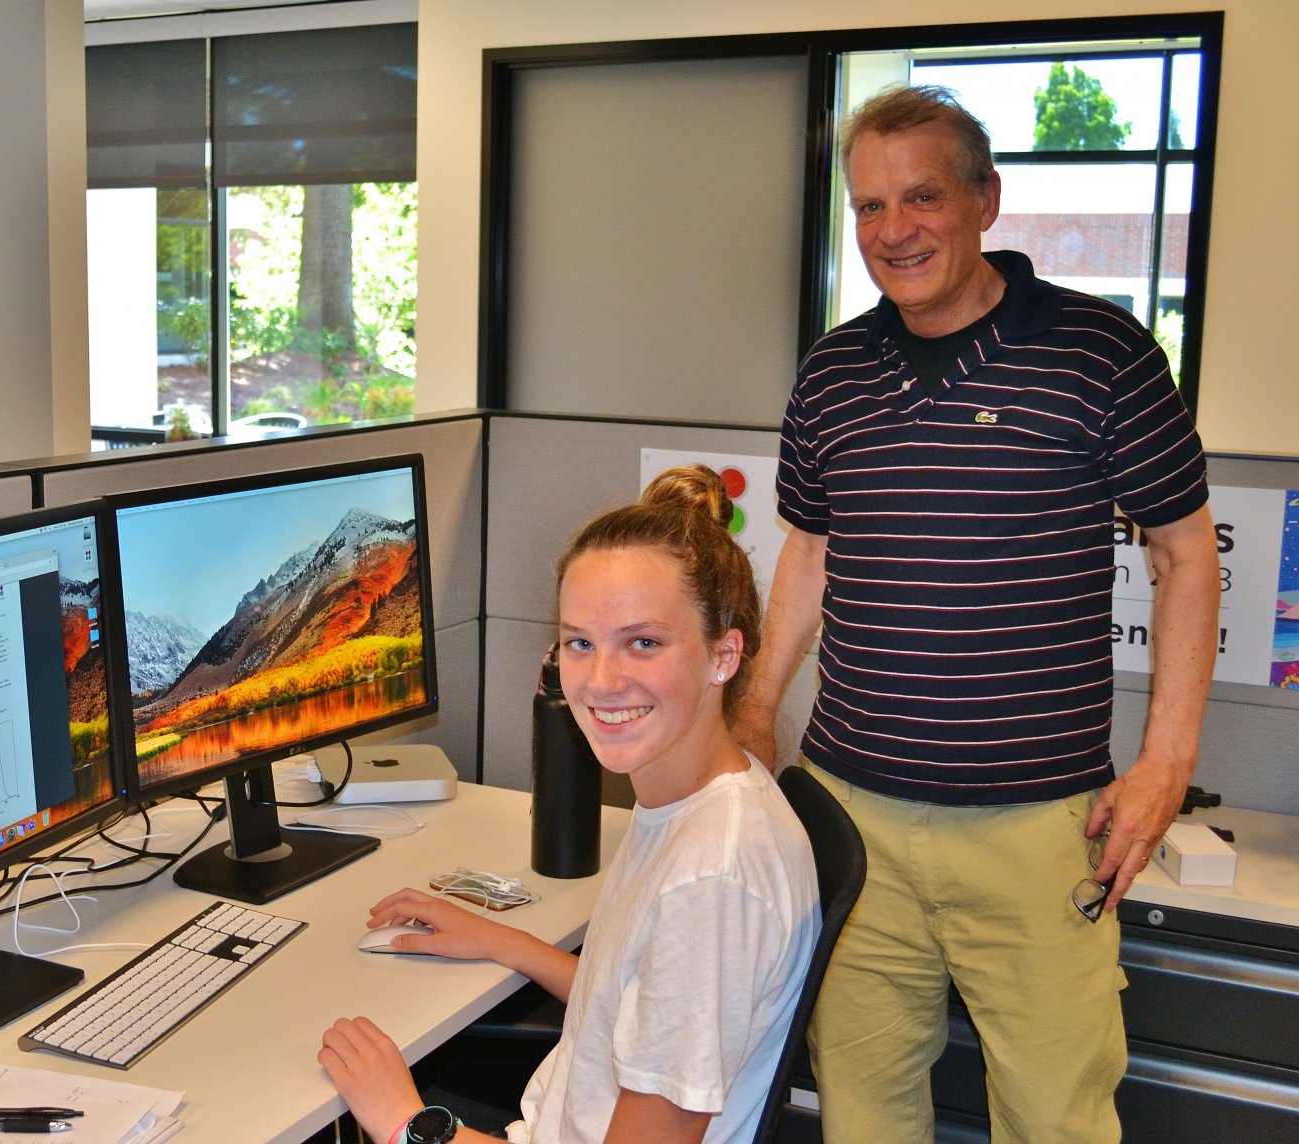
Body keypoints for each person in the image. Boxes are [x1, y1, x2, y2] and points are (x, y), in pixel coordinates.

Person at [745, 84, 1221, 1144]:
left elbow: (1186, 551)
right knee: (862, 1110)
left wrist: (1163, 762)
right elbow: (810, 552)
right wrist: (754, 706)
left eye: (919, 197)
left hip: (1037, 829)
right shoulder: (829, 373)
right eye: (867, 207)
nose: (892, 231)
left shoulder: (1099, 353)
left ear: (983, 200)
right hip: (848, 809)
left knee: (1054, 1118)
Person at [319, 465, 820, 1144]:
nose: (603, 681)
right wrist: (506, 943)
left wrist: (410, 1125)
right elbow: (639, 1000)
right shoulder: (694, 798)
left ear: (722, 655)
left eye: (643, 643)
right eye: (581, 643)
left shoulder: (713, 876)